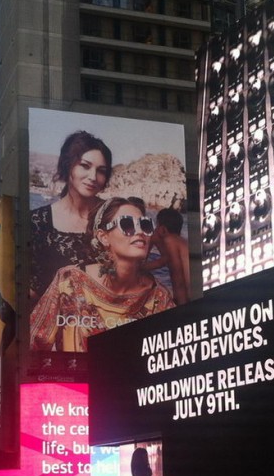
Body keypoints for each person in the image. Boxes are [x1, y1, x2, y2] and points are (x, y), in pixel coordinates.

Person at [30, 197, 175, 352]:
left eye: (145, 225)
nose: (140, 232)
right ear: (103, 237)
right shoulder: (70, 281)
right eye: (127, 224)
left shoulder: (159, 298)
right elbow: (33, 344)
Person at [29, 130, 114, 302]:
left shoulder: (113, 217)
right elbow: (31, 291)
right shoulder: (37, 221)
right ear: (68, 165)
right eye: (85, 166)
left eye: (101, 171)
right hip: (55, 323)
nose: (93, 177)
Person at [142, 207, 191, 305]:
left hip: (187, 298)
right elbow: (157, 263)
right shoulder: (180, 242)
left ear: (163, 229)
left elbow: (179, 281)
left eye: (157, 225)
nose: (155, 229)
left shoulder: (170, 241)